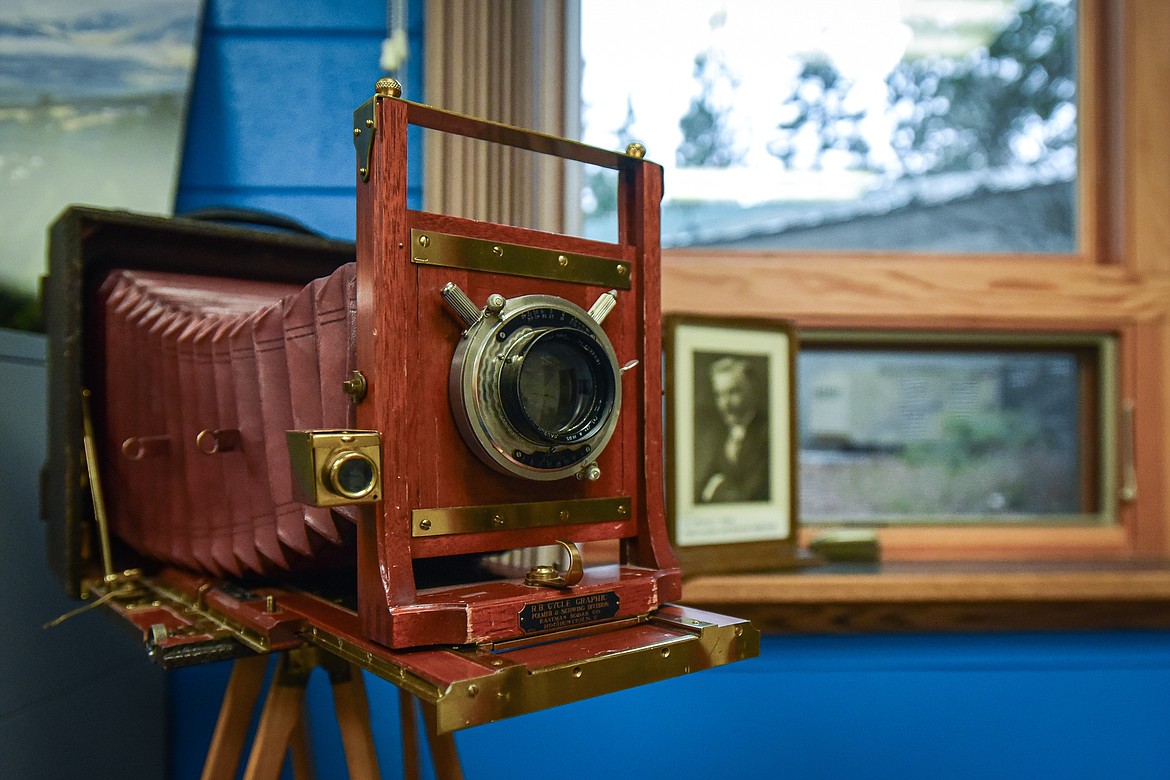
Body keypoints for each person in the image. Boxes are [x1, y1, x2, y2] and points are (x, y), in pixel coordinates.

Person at [694, 355, 770, 503]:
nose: (725, 404)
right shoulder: (722, 435)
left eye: (734, 392)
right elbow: (701, 489)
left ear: (753, 391)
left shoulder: (766, 433)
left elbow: (750, 497)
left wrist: (716, 492)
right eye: (719, 395)